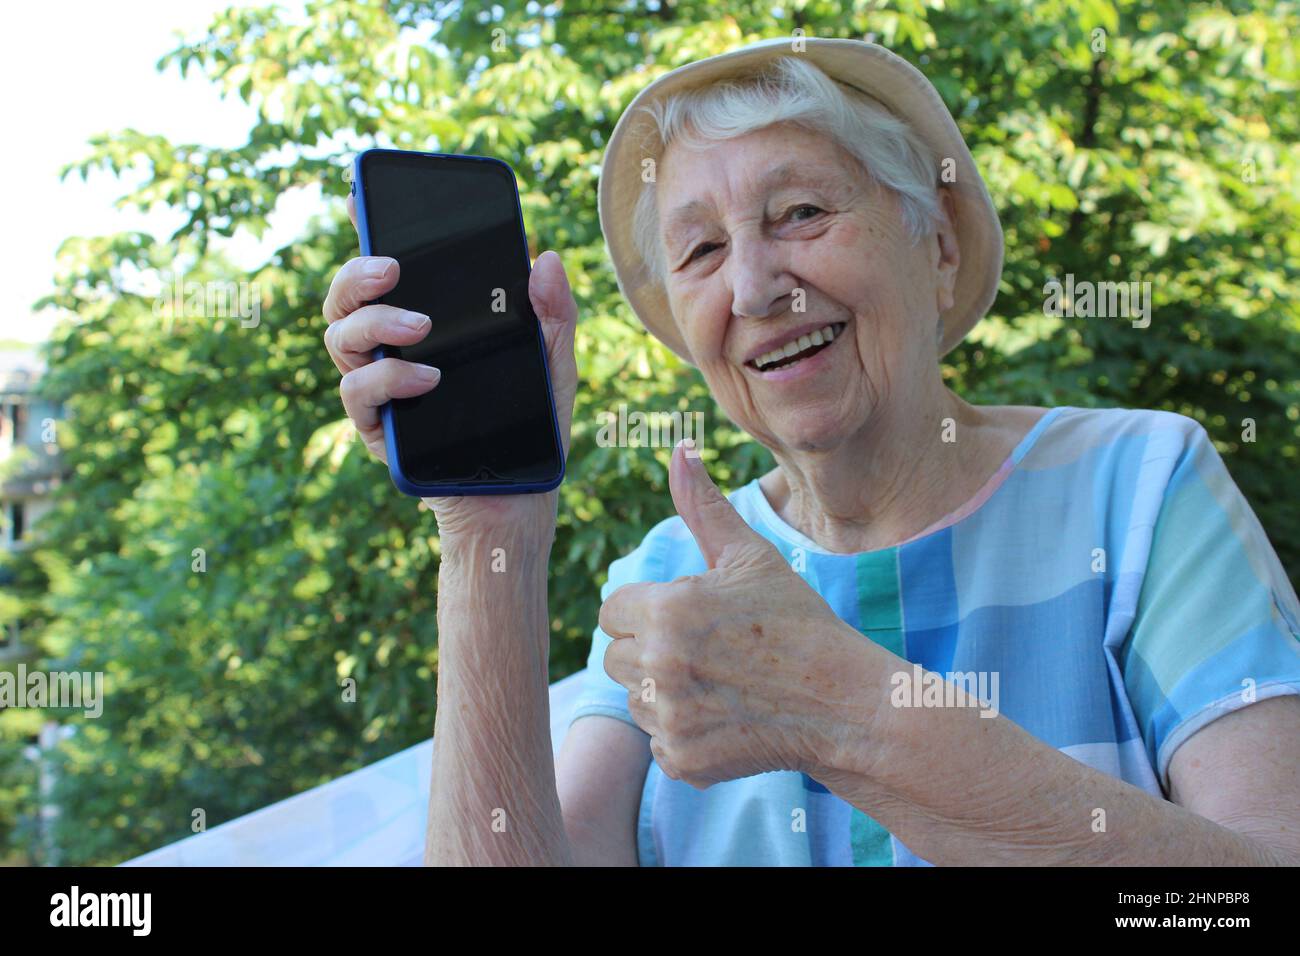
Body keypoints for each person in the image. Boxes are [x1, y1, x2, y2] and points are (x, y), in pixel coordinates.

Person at [321, 37, 1300, 865]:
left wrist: (838, 707)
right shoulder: (665, 578)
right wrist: (491, 530)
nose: (751, 285)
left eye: (799, 213)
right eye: (699, 251)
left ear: (938, 247)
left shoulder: (1138, 488)